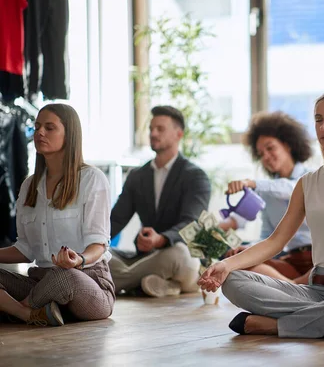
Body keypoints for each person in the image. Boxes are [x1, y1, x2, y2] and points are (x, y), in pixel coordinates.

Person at [199, 88, 324, 338]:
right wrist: (225, 265)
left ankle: (279, 326)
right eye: (318, 119)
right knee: (233, 281)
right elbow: (275, 241)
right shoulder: (307, 182)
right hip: (315, 290)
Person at [0, 103, 115, 326]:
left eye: (50, 127)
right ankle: (32, 313)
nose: (40, 132)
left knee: (63, 275)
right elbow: (26, 249)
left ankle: (15, 310)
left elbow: (99, 245)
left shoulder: (92, 179)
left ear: (69, 134)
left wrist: (79, 260)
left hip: (87, 282)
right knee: (52, 275)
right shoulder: (28, 186)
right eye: (37, 127)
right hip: (39, 283)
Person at [109, 106, 211, 298]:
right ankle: (160, 285)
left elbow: (192, 224)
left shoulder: (196, 177)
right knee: (104, 257)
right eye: (151, 129)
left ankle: (115, 283)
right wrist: (90, 246)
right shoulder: (137, 176)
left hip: (179, 256)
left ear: (178, 134)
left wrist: (161, 239)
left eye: (160, 129)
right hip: (146, 258)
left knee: (180, 254)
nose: (153, 133)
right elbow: (116, 220)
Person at [219, 111, 313, 284]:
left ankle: (294, 288)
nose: (266, 157)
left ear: (288, 145)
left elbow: (291, 188)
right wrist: (248, 251)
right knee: (240, 266)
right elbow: (269, 236)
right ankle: (296, 287)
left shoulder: (312, 177)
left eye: (270, 148)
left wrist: (251, 183)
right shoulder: (268, 193)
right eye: (261, 154)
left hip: (319, 262)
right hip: (291, 263)